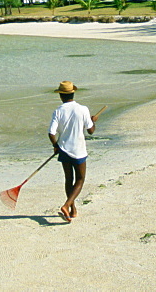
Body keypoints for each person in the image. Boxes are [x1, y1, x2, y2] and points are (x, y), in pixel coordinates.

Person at [48, 81, 96, 222]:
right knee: (80, 179)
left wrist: (56, 146)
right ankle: (68, 205)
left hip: (64, 149)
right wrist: (93, 121)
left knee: (69, 180)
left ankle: (72, 210)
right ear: (73, 93)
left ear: (61, 96)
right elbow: (91, 131)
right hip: (79, 150)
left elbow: (51, 133)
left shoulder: (58, 111)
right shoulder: (83, 109)